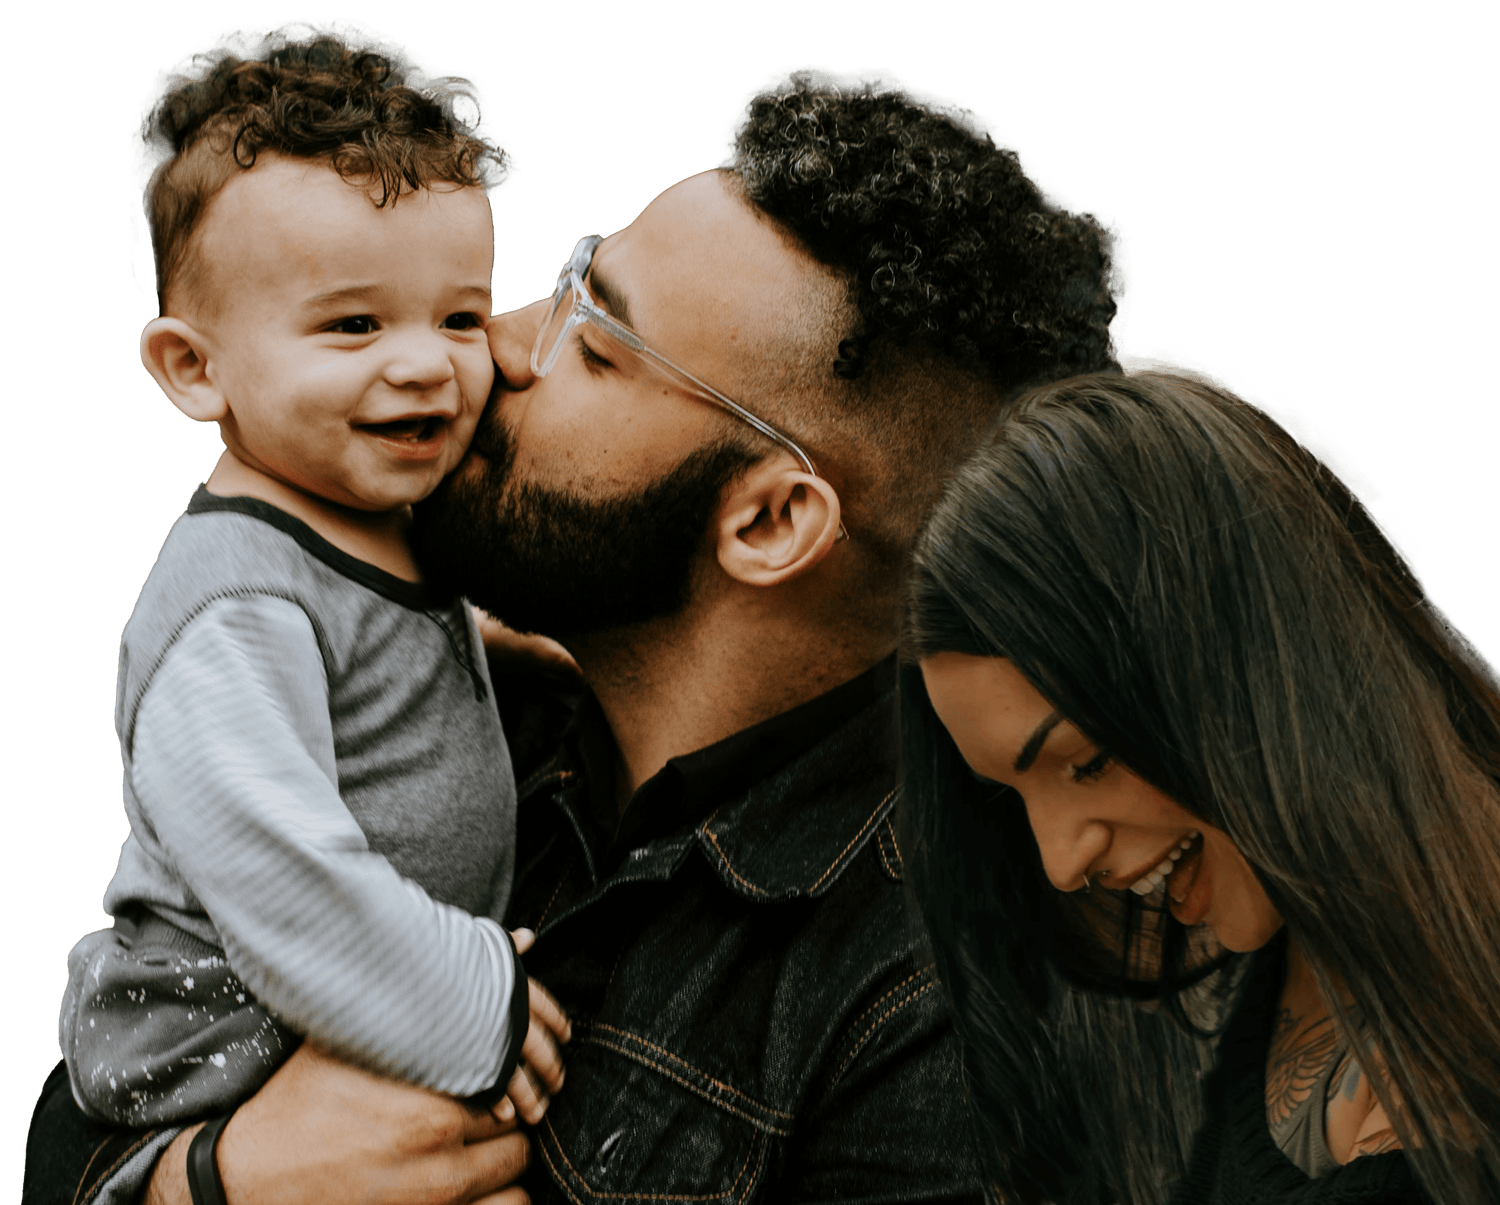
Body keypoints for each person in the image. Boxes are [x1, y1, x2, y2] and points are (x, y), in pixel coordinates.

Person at [24, 68, 1126, 1203]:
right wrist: (214, 1181)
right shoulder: (438, 695)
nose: (491, 350)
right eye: (559, 289)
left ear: (770, 518)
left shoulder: (936, 1006)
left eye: (594, 343)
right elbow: (100, 1080)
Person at [51, 30, 569, 1173]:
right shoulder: (233, 607)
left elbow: (364, 661)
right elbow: (286, 877)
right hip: (219, 1032)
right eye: (353, 325)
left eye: (460, 317)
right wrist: (471, 998)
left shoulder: (359, 517)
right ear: (195, 369)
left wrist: (497, 654)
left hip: (328, 1006)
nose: (426, 364)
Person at [903, 369, 1500, 1204]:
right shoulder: (1288, 953)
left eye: (1086, 762)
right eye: (1014, 792)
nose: (1061, 861)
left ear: (1243, 665)